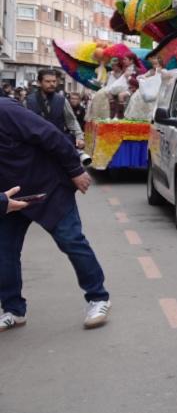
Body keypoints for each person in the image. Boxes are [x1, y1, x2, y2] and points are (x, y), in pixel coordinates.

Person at [0, 97, 109, 332]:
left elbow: (51, 135)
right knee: (4, 253)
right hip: (8, 198)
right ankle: (13, 309)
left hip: (48, 188)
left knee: (71, 242)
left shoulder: (6, 111)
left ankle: (98, 298)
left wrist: (75, 170)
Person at [25, 69, 85, 150]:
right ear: (39, 83)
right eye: (48, 81)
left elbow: (71, 121)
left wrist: (79, 137)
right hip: (36, 146)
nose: (52, 84)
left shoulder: (62, 100)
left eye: (54, 81)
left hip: (57, 145)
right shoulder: (29, 101)